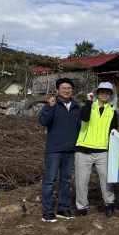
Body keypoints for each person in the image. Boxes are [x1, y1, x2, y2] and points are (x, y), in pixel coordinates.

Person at [38, 78, 81, 222]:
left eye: (69, 88)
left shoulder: (76, 106)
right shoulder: (52, 104)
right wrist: (50, 107)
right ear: (57, 90)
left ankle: (63, 208)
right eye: (63, 88)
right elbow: (43, 121)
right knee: (50, 181)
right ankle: (48, 211)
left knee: (66, 180)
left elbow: (80, 127)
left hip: (70, 151)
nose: (67, 90)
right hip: (54, 150)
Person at [75, 82, 118, 218]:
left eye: (107, 92)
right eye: (101, 91)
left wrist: (114, 131)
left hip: (102, 150)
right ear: (97, 93)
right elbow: (84, 117)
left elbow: (114, 127)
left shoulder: (112, 111)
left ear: (111, 95)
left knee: (106, 178)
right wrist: (89, 101)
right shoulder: (88, 107)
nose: (104, 94)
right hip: (83, 148)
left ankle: (109, 204)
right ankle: (82, 207)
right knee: (81, 180)